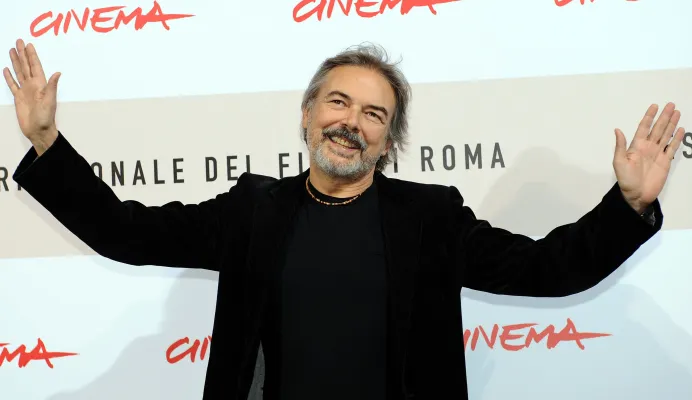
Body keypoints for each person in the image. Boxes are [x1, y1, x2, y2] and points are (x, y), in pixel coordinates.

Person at [3, 38, 685, 400]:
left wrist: (627, 206)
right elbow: (127, 232)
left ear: (388, 141)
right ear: (307, 114)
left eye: (373, 114)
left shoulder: (431, 218)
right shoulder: (252, 211)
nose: (351, 122)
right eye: (338, 102)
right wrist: (47, 144)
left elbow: (545, 270)